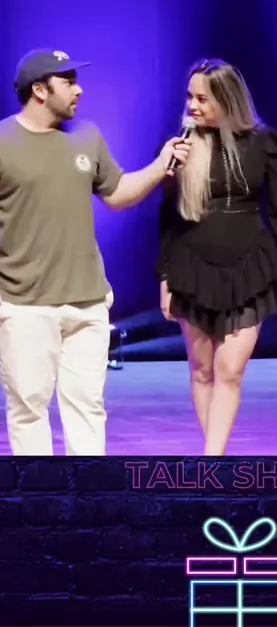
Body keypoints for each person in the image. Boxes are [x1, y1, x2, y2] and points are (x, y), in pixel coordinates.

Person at [0, 48, 191, 456]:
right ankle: (39, 493)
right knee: (28, 410)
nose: (79, 90)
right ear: (39, 90)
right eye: (68, 81)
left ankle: (87, 489)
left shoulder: (86, 136)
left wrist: (161, 166)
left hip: (88, 302)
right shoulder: (3, 142)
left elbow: (117, 193)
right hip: (24, 306)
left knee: (87, 407)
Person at [156, 59, 277, 456]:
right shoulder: (182, 147)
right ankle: (214, 460)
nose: (193, 105)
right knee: (202, 370)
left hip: (248, 268)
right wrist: (165, 278)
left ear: (228, 100)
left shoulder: (264, 143)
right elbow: (168, 219)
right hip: (191, 267)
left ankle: (212, 460)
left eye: (203, 98)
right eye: (190, 97)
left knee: (229, 370)